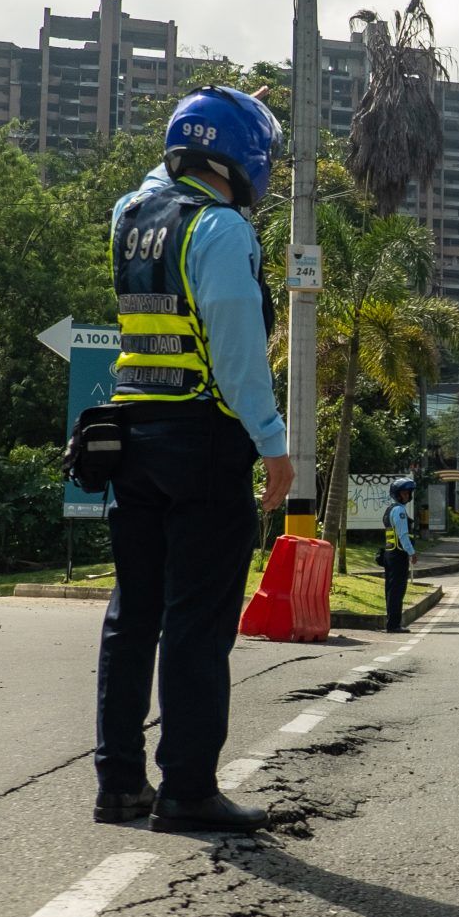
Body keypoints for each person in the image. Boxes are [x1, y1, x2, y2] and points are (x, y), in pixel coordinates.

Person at [93, 86, 294, 835]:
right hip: (204, 438)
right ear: (242, 158)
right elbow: (240, 355)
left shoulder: (129, 217)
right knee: (198, 622)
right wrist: (273, 446)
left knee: (132, 613)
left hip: (131, 434)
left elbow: (159, 178)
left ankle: (118, 785)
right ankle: (186, 789)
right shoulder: (221, 230)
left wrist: (212, 118)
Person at [381, 477, 416, 633]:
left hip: (389, 554)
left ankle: (392, 622)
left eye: (408, 492)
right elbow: (403, 535)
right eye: (404, 492)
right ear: (397, 494)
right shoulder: (400, 511)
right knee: (397, 590)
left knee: (391, 589)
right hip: (398, 555)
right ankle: (394, 625)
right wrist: (412, 553)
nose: (407, 495)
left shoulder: (390, 509)